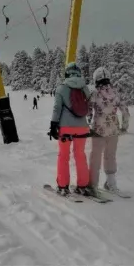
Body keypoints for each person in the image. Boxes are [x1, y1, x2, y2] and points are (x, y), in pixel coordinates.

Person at [49, 62, 93, 197]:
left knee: (63, 156)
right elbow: (89, 107)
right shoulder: (85, 88)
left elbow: (57, 108)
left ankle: (63, 186)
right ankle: (83, 185)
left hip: (65, 128)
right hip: (82, 128)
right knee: (80, 155)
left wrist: (53, 125)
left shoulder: (61, 88)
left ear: (66, 73)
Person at [87, 67, 130, 197]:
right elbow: (125, 111)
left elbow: (88, 110)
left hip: (98, 131)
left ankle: (93, 185)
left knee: (95, 158)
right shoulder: (115, 92)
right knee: (110, 156)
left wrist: (88, 121)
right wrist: (124, 127)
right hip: (113, 130)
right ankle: (111, 183)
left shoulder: (94, 93)